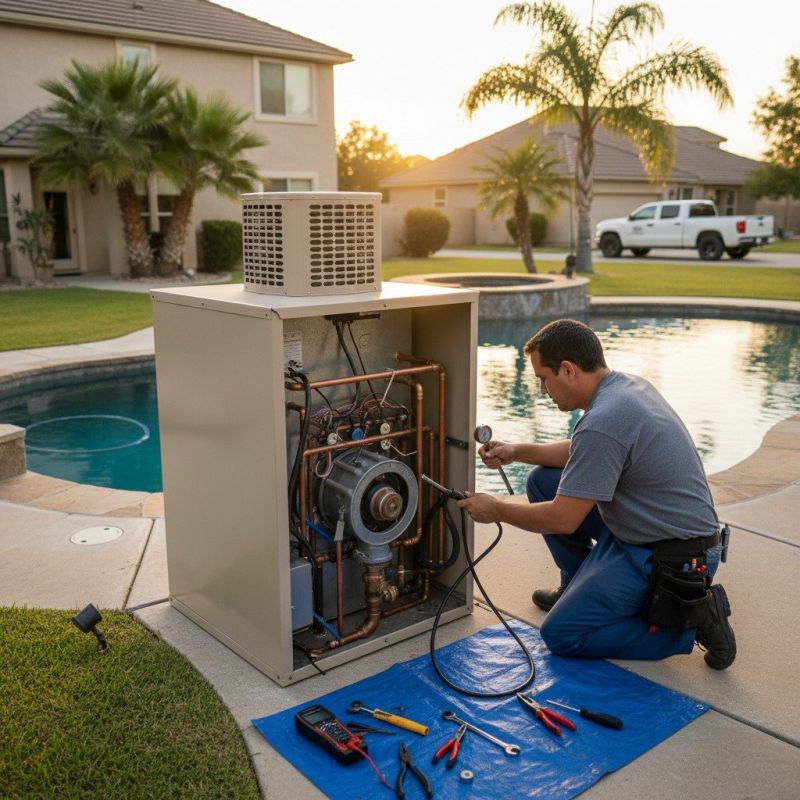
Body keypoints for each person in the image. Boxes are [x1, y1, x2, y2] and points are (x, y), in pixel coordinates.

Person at [457, 318, 736, 669]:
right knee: (542, 480)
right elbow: (583, 451)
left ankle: (694, 623)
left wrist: (496, 509)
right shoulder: (624, 388)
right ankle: (576, 586)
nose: (543, 390)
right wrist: (517, 451)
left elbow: (563, 518)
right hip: (654, 530)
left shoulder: (604, 420)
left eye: (544, 379)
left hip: (672, 558)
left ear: (568, 370)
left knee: (562, 634)